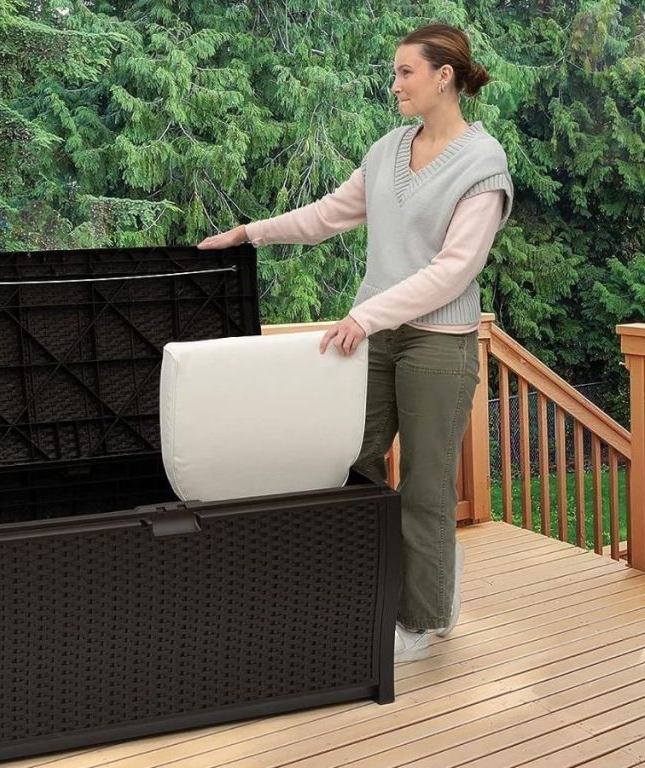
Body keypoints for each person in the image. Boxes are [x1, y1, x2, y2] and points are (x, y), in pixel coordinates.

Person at [199, 23, 512, 663]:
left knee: (425, 488)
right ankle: (358, 598)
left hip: (438, 344)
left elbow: (454, 270)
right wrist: (248, 234)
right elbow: (325, 217)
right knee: (350, 464)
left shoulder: (485, 165)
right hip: (374, 335)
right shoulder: (389, 149)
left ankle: (421, 621)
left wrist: (368, 316)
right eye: (394, 72)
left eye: (405, 72)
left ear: (443, 76)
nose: (394, 83)